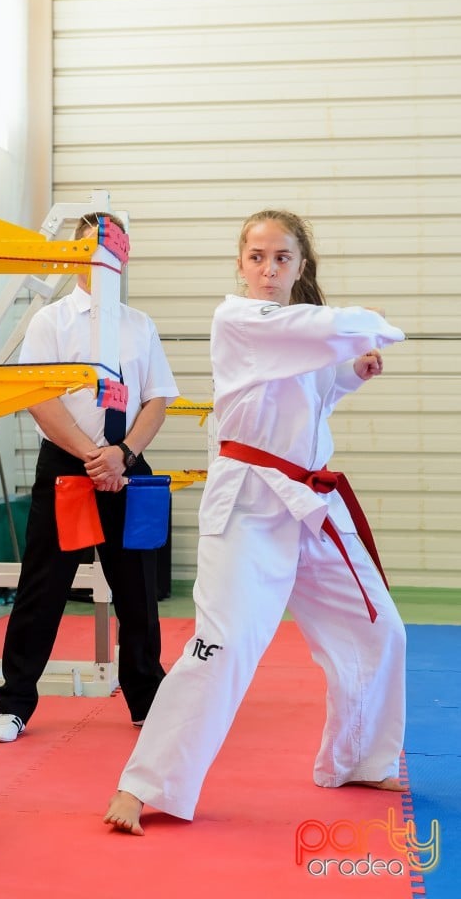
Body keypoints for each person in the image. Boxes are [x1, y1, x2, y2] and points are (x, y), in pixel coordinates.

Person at [104, 209, 407, 835]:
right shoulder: (238, 318)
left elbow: (312, 393)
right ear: (241, 265)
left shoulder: (302, 337)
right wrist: (379, 328)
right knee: (224, 645)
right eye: (257, 257)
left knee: (379, 629)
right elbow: (322, 327)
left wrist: (352, 373)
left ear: (301, 265)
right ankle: (145, 785)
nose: (268, 270)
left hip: (311, 503)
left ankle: (356, 758)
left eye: (282, 258)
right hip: (248, 506)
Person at [0, 212, 179, 742]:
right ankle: (15, 702)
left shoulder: (141, 325)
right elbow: (40, 397)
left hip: (127, 466)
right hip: (69, 466)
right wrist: (93, 454)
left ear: (125, 256)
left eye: (112, 252)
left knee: (137, 589)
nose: (101, 261)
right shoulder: (52, 321)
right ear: (74, 257)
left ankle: (147, 697)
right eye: (90, 251)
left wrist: (122, 454)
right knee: (43, 587)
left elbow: (157, 399)